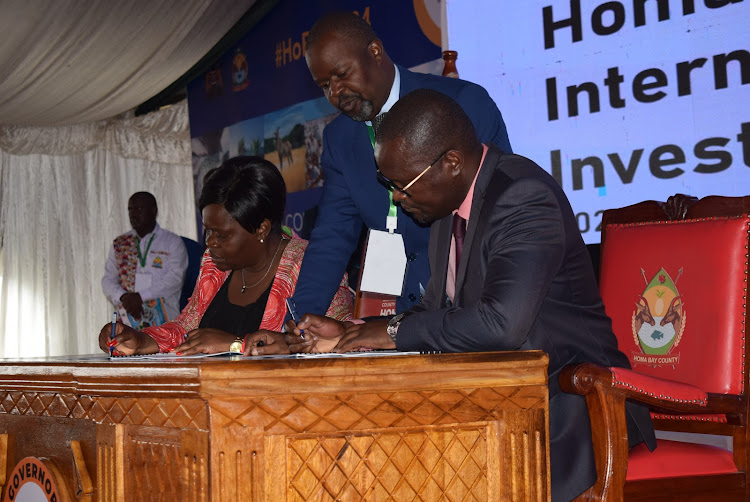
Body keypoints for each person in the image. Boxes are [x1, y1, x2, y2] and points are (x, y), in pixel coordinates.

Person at [281, 90, 656, 501]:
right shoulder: (448, 203)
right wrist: (354, 332)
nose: (396, 198)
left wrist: (391, 333)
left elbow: (501, 325)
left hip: (572, 409)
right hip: (501, 401)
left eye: (402, 185)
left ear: (451, 164)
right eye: (390, 185)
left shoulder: (522, 195)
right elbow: (433, 312)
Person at [290, 11, 513, 319]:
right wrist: (299, 323)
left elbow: (501, 216)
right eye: (325, 85)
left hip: (475, 312)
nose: (336, 93)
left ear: (375, 51)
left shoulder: (463, 104)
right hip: (397, 315)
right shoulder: (340, 139)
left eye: (342, 74)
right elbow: (333, 235)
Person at [99, 157, 352, 356]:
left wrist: (234, 345)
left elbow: (341, 345)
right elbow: (186, 326)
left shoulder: (314, 265)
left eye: (222, 235)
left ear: (261, 229)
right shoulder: (214, 264)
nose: (210, 242)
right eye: (208, 231)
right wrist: (140, 340)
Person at [102, 191, 188, 323]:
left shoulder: (172, 242)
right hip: (129, 320)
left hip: (164, 321)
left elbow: (175, 279)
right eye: (130, 209)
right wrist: (124, 297)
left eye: (139, 208)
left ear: (154, 210)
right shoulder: (121, 243)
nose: (133, 214)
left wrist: (141, 297)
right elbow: (108, 280)